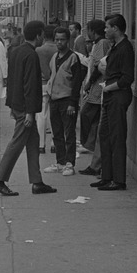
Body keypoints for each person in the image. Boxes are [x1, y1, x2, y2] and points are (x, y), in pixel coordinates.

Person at [0, 20, 57, 197]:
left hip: (18, 104)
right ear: (38, 35)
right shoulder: (31, 55)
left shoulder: (16, 51)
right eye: (42, 34)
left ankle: (37, 181)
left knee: (33, 142)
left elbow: (12, 80)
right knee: (17, 143)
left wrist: (12, 104)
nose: (44, 37)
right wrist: (29, 112)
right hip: (26, 108)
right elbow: (29, 84)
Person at [91, 13, 135, 191]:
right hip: (109, 94)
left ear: (116, 28)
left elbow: (127, 78)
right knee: (104, 135)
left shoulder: (125, 48)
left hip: (117, 95)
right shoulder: (114, 46)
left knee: (117, 137)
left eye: (108, 27)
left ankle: (118, 179)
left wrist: (109, 87)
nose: (105, 30)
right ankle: (106, 175)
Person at [42, 26, 86, 177]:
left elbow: (76, 82)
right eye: (57, 40)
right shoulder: (55, 57)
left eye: (62, 40)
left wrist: (73, 103)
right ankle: (60, 162)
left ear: (68, 40)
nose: (59, 42)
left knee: (69, 133)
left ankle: (69, 163)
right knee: (57, 133)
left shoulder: (73, 58)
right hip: (54, 99)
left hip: (67, 100)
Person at [77, 19, 112, 174]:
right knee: (91, 119)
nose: (87, 33)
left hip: (98, 89)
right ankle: (93, 152)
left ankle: (91, 147)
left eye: (88, 30)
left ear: (93, 30)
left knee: (87, 115)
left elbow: (100, 66)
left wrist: (90, 83)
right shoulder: (96, 44)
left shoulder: (102, 43)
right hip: (95, 89)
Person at [35, 24, 57, 154]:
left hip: (42, 83)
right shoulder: (60, 49)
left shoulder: (39, 50)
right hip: (56, 84)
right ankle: (54, 143)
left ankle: (41, 144)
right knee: (54, 115)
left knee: (41, 115)